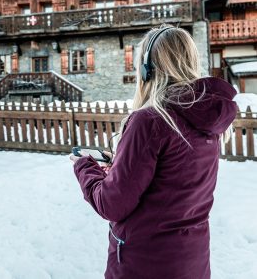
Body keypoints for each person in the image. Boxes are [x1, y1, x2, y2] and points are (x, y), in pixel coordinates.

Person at [70, 24, 238, 279]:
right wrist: (120, 166)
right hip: (192, 263)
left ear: (148, 70)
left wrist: (84, 166)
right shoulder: (208, 120)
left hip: (145, 265)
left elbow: (111, 204)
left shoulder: (150, 121)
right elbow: (172, 181)